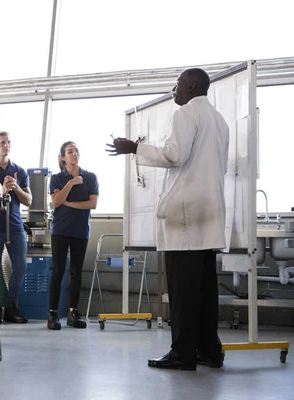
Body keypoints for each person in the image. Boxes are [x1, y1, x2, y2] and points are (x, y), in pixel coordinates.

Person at [106, 68, 229, 371]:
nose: (174, 90)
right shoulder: (220, 121)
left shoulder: (186, 114)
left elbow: (175, 155)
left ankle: (183, 352)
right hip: (209, 213)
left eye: (176, 85)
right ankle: (209, 350)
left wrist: (135, 147)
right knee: (204, 289)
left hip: (185, 216)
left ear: (190, 85)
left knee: (183, 289)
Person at [48, 141, 98, 330]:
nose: (75, 154)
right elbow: (56, 202)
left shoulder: (91, 177)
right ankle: (52, 314)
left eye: (76, 151)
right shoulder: (57, 179)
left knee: (76, 273)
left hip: (80, 231)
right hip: (60, 231)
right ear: (63, 157)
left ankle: (72, 313)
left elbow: (92, 204)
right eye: (70, 152)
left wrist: (69, 204)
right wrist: (71, 183)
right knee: (58, 271)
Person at [0, 131, 32, 324]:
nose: (6, 145)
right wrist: (2, 191)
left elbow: (29, 200)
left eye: (8, 143)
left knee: (21, 266)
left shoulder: (19, 171)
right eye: (2, 143)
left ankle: (11, 306)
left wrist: (16, 188)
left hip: (15, 226)